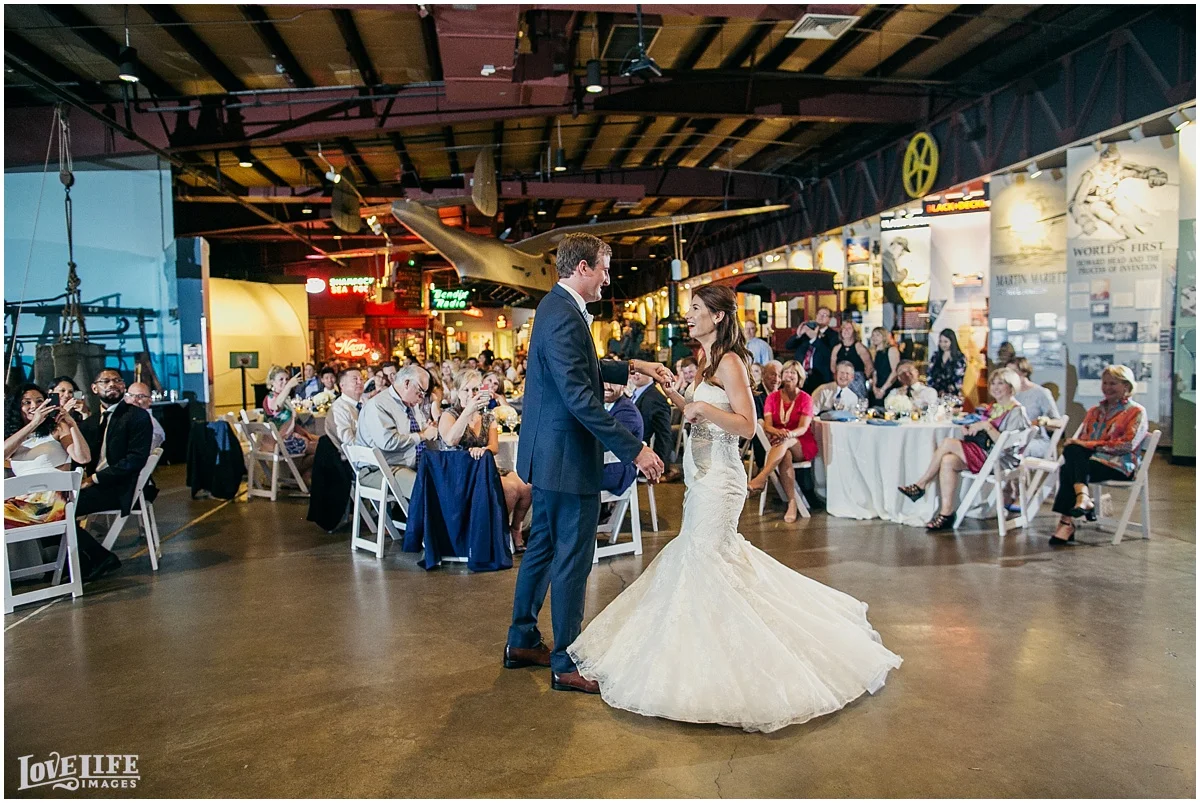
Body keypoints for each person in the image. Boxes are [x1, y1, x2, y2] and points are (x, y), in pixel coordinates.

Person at [568, 284, 901, 732]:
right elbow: (700, 411)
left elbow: (745, 426)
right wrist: (676, 396)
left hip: (720, 480)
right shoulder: (706, 360)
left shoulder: (730, 362)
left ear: (719, 316)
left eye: (696, 309)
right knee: (707, 559)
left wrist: (702, 409)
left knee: (704, 558)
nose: (688, 316)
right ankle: (696, 654)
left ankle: (731, 664)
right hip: (699, 474)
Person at [503, 232, 669, 695]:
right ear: (582, 268)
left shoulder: (556, 307)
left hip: (551, 456)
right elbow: (579, 396)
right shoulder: (562, 314)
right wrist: (636, 449)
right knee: (572, 560)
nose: (607, 279)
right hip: (566, 460)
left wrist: (634, 366)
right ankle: (565, 662)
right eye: (604, 269)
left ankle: (521, 641)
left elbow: (582, 366)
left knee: (542, 549)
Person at [898, 369, 1031, 531]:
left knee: (947, 443)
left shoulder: (1016, 411)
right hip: (988, 454)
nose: (995, 387)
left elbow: (1007, 445)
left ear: (1011, 387)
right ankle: (946, 513)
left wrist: (987, 426)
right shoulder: (994, 407)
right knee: (947, 460)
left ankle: (921, 485)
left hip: (1001, 460)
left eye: (1000, 383)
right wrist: (972, 428)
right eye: (993, 383)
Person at [1049, 365, 1148, 546]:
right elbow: (1083, 441)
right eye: (1105, 383)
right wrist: (1083, 444)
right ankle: (1082, 499)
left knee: (1069, 466)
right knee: (1072, 450)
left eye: (1113, 383)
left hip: (1118, 465)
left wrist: (1088, 445)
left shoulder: (1136, 412)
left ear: (1126, 386)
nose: (1107, 387)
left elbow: (1127, 445)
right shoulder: (1094, 411)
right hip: (1089, 462)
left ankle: (1067, 521)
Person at [439, 369, 533, 552]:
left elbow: (494, 446)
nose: (471, 394)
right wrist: (467, 412)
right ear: (457, 392)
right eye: (466, 390)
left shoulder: (487, 415)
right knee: (510, 488)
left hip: (484, 467)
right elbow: (450, 440)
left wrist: (483, 450)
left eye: (475, 389)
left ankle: (515, 529)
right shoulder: (449, 414)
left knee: (527, 485)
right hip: (460, 471)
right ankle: (497, 532)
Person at [75, 369, 154, 581]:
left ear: (123, 386)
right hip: (94, 485)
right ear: (94, 388)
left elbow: (135, 460)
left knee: (57, 511)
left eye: (117, 380)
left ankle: (98, 558)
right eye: (106, 381)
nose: (112, 384)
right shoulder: (91, 422)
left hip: (120, 488)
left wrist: (93, 479)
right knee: (50, 509)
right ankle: (80, 562)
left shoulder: (137, 416)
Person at [4, 384, 91, 535]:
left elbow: (83, 457)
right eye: (27, 402)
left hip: (51, 502)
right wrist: (33, 424)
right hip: (21, 500)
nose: (34, 406)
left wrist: (72, 424)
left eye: (39, 401)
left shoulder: (57, 428)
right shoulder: (17, 437)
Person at [354, 364, 439, 503]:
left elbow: (415, 431)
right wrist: (422, 435)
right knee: (425, 488)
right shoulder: (379, 405)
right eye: (420, 392)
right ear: (407, 383)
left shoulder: (409, 404)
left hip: (406, 465)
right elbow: (388, 442)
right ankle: (421, 518)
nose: (421, 398)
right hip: (380, 470)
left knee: (447, 480)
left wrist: (427, 428)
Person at [746, 359, 820, 521]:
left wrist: (788, 434)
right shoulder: (772, 398)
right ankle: (792, 503)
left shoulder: (806, 398)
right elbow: (767, 426)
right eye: (786, 372)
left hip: (801, 442)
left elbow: (803, 428)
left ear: (799, 377)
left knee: (785, 443)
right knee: (785, 455)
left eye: (793, 373)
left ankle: (761, 477)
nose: (789, 375)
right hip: (780, 442)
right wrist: (778, 432)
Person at [262, 366, 318, 475]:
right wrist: (288, 386)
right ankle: (298, 475)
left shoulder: (285, 399)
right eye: (281, 379)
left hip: (287, 439)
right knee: (323, 449)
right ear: (272, 382)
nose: (285, 382)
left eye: (287, 379)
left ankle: (303, 476)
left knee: (323, 443)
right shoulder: (270, 397)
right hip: (278, 444)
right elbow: (276, 406)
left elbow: (292, 425)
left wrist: (309, 436)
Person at [1007, 357, 1064, 459]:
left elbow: (1058, 422)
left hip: (1035, 440)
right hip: (1012, 438)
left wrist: (1044, 421)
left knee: (1016, 450)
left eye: (1014, 372)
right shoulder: (1009, 393)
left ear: (1024, 372)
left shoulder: (1041, 393)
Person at [630, 366, 676, 483]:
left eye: (640, 371)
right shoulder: (634, 393)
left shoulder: (655, 398)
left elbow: (664, 434)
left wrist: (659, 467)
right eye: (633, 372)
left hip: (638, 455)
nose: (636, 375)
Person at [599, 380, 643, 497]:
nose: (607, 386)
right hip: (602, 465)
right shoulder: (600, 405)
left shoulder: (627, 412)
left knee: (562, 477)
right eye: (604, 382)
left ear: (624, 385)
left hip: (615, 471)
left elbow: (606, 444)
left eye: (613, 382)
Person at [784, 306, 839, 392]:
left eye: (825, 315)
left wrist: (814, 339)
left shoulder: (833, 336)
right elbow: (788, 346)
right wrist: (798, 334)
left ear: (829, 320)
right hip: (800, 375)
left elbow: (828, 354)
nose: (821, 317)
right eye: (819, 314)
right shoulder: (807, 330)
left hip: (820, 377)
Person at [324, 368, 364, 456]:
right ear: (342, 385)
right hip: (352, 457)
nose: (359, 382)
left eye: (361, 379)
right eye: (355, 379)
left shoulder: (366, 403)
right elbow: (349, 443)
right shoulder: (338, 409)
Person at [831, 319, 873, 399]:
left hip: (857, 382)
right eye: (844, 328)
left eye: (849, 328)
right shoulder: (837, 348)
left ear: (854, 332)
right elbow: (833, 366)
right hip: (841, 381)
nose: (846, 330)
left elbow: (869, 367)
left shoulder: (860, 348)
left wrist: (861, 379)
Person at [125, 382, 166, 451]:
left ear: (150, 400)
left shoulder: (153, 428)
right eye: (130, 395)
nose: (134, 400)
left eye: (140, 396)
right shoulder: (122, 419)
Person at [928, 328, 966, 397]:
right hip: (935, 393)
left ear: (952, 341)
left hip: (952, 395)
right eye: (940, 341)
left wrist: (946, 391)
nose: (942, 344)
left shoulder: (959, 357)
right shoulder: (935, 356)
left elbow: (959, 378)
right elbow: (929, 374)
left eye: (945, 342)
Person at [869, 327, 901, 407]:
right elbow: (875, 372)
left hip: (889, 385)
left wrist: (883, 389)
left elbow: (895, 371)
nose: (874, 337)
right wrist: (874, 387)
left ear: (884, 336)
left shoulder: (892, 350)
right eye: (873, 335)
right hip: (879, 386)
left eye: (877, 335)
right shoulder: (875, 352)